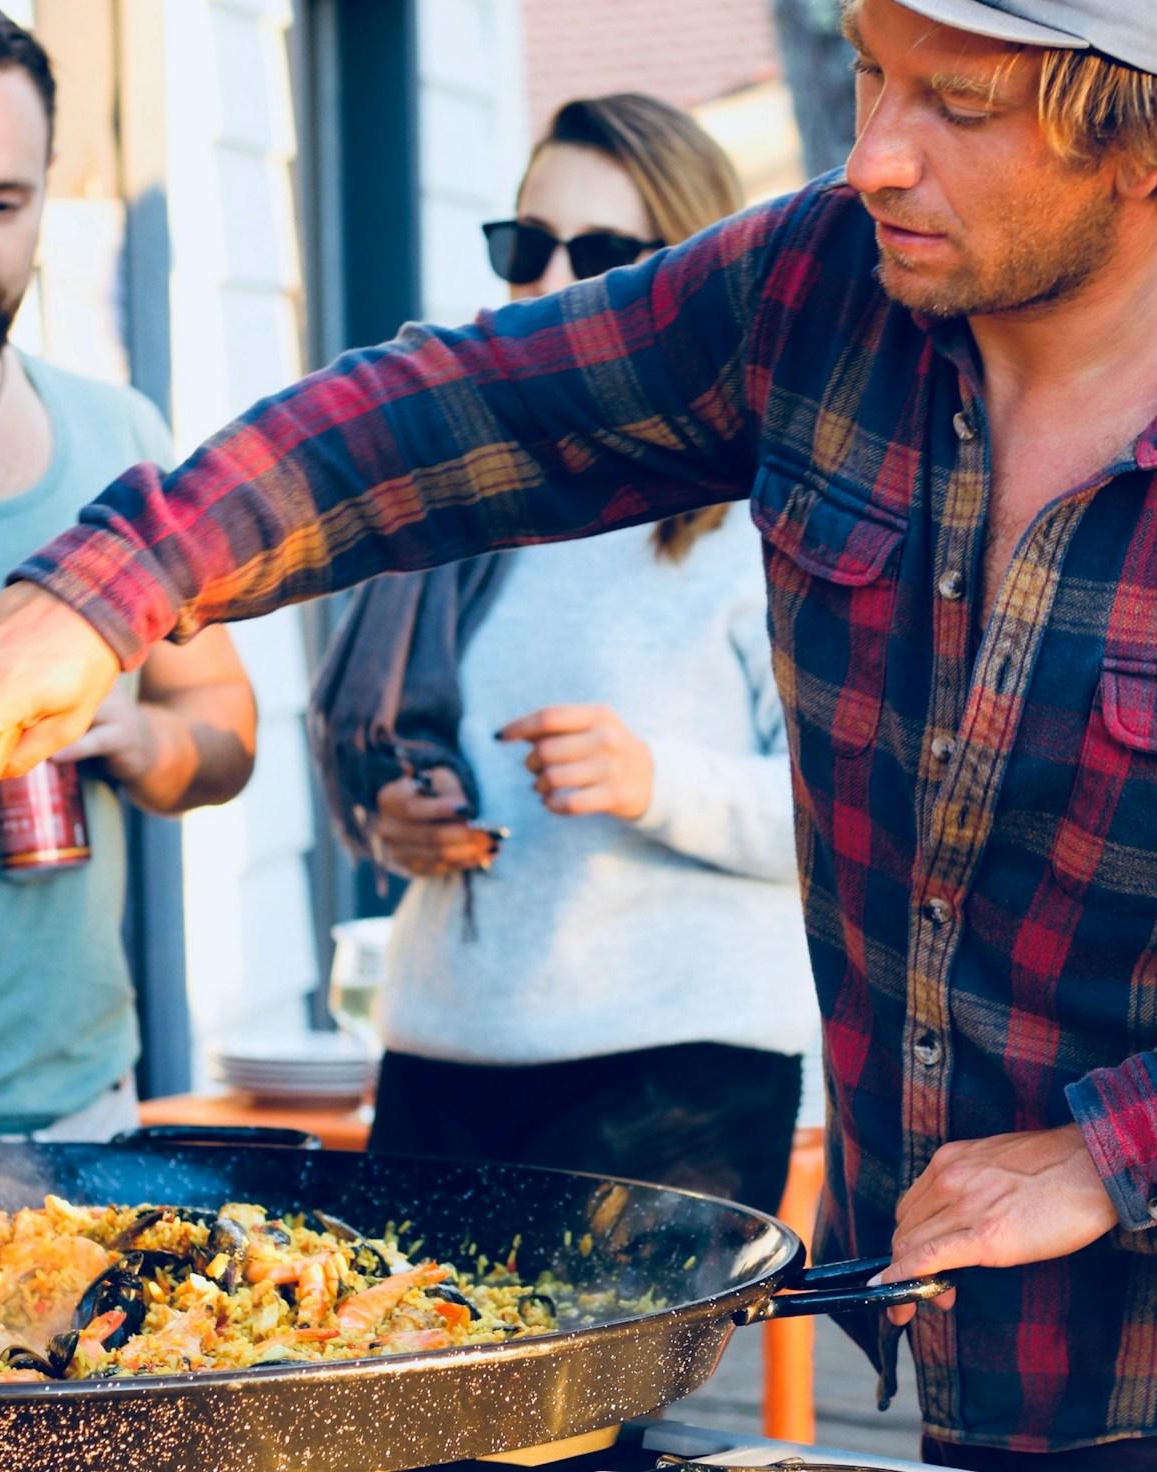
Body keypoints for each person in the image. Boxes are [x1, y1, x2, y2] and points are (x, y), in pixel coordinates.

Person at [0, 0, 1157, 1463]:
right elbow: (473, 406)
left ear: (1150, 137)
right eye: (870, 75)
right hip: (965, 1332)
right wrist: (109, 588)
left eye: (957, 105)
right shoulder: (816, 288)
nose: (874, 158)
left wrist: (1115, 1150)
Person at [312, 94, 816, 1213]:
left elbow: (852, 815)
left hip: (677, 1075)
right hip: (446, 1051)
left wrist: (653, 780)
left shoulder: (763, 521)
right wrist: (398, 824)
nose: (544, 283)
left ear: (688, 277)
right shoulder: (454, 504)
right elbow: (377, 745)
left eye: (595, 254)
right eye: (525, 245)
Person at [0, 4, 255, 1140]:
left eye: (3, 203)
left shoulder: (119, 438)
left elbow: (224, 724)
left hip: (80, 1120)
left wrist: (146, 741)